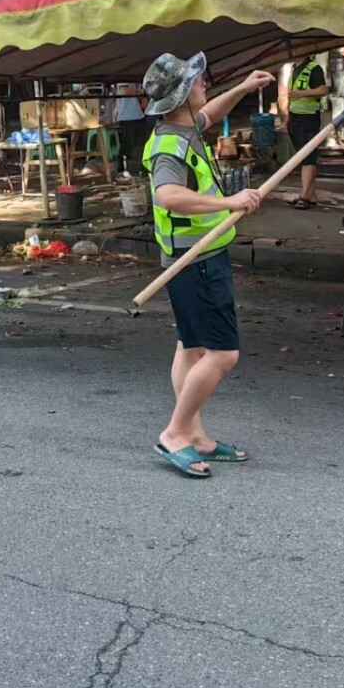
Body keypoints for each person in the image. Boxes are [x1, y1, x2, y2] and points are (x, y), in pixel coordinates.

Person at [141, 51, 273, 479]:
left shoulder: (184, 126)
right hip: (194, 259)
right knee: (223, 353)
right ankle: (175, 433)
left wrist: (243, 88)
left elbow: (210, 113)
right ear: (181, 96)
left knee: (192, 347)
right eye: (197, 81)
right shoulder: (170, 145)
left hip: (197, 254)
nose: (204, 84)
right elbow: (168, 195)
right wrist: (229, 202)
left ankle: (195, 435)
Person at [279, 54, 331, 209]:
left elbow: (323, 90)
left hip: (309, 118)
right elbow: (291, 96)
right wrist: (288, 117)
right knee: (303, 157)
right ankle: (311, 194)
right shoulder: (294, 68)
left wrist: (302, 93)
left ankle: (304, 196)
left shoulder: (314, 68)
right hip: (295, 117)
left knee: (308, 157)